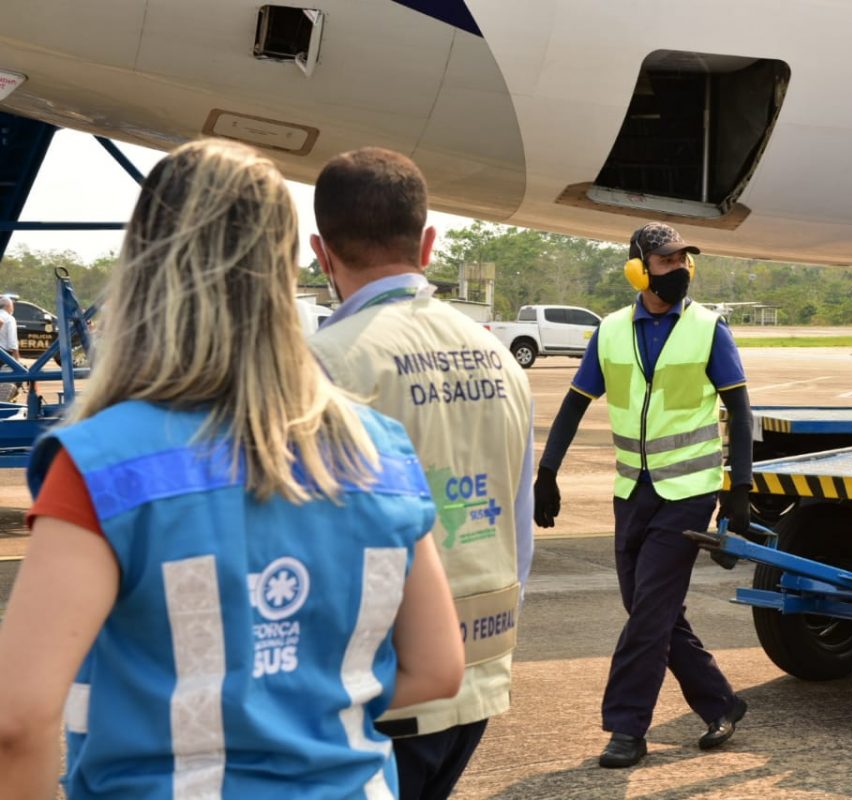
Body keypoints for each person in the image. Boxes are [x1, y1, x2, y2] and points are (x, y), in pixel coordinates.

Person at [0, 139, 465, 800]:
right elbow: (440, 669)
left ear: (144, 267)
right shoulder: (379, 449)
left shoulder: (103, 463)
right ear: (288, 269)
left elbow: (17, 724)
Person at [308, 147, 535, 800]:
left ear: (323, 253)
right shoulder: (501, 359)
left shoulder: (324, 366)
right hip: (481, 676)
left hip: (377, 689)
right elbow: (518, 531)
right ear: (428, 242)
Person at [534, 222, 755, 768]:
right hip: (631, 489)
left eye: (683, 260)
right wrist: (547, 471)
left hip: (688, 492)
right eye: (666, 261)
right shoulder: (609, 331)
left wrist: (741, 490)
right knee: (647, 608)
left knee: (650, 613)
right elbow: (574, 403)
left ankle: (626, 728)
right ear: (638, 268)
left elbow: (742, 412)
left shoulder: (708, 329)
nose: (678, 269)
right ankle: (721, 701)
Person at [0, 295, 21, 401]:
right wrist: (18, 362)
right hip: (4, 356)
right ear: (8, 306)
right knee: (15, 379)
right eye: (12, 306)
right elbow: (13, 343)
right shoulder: (9, 319)